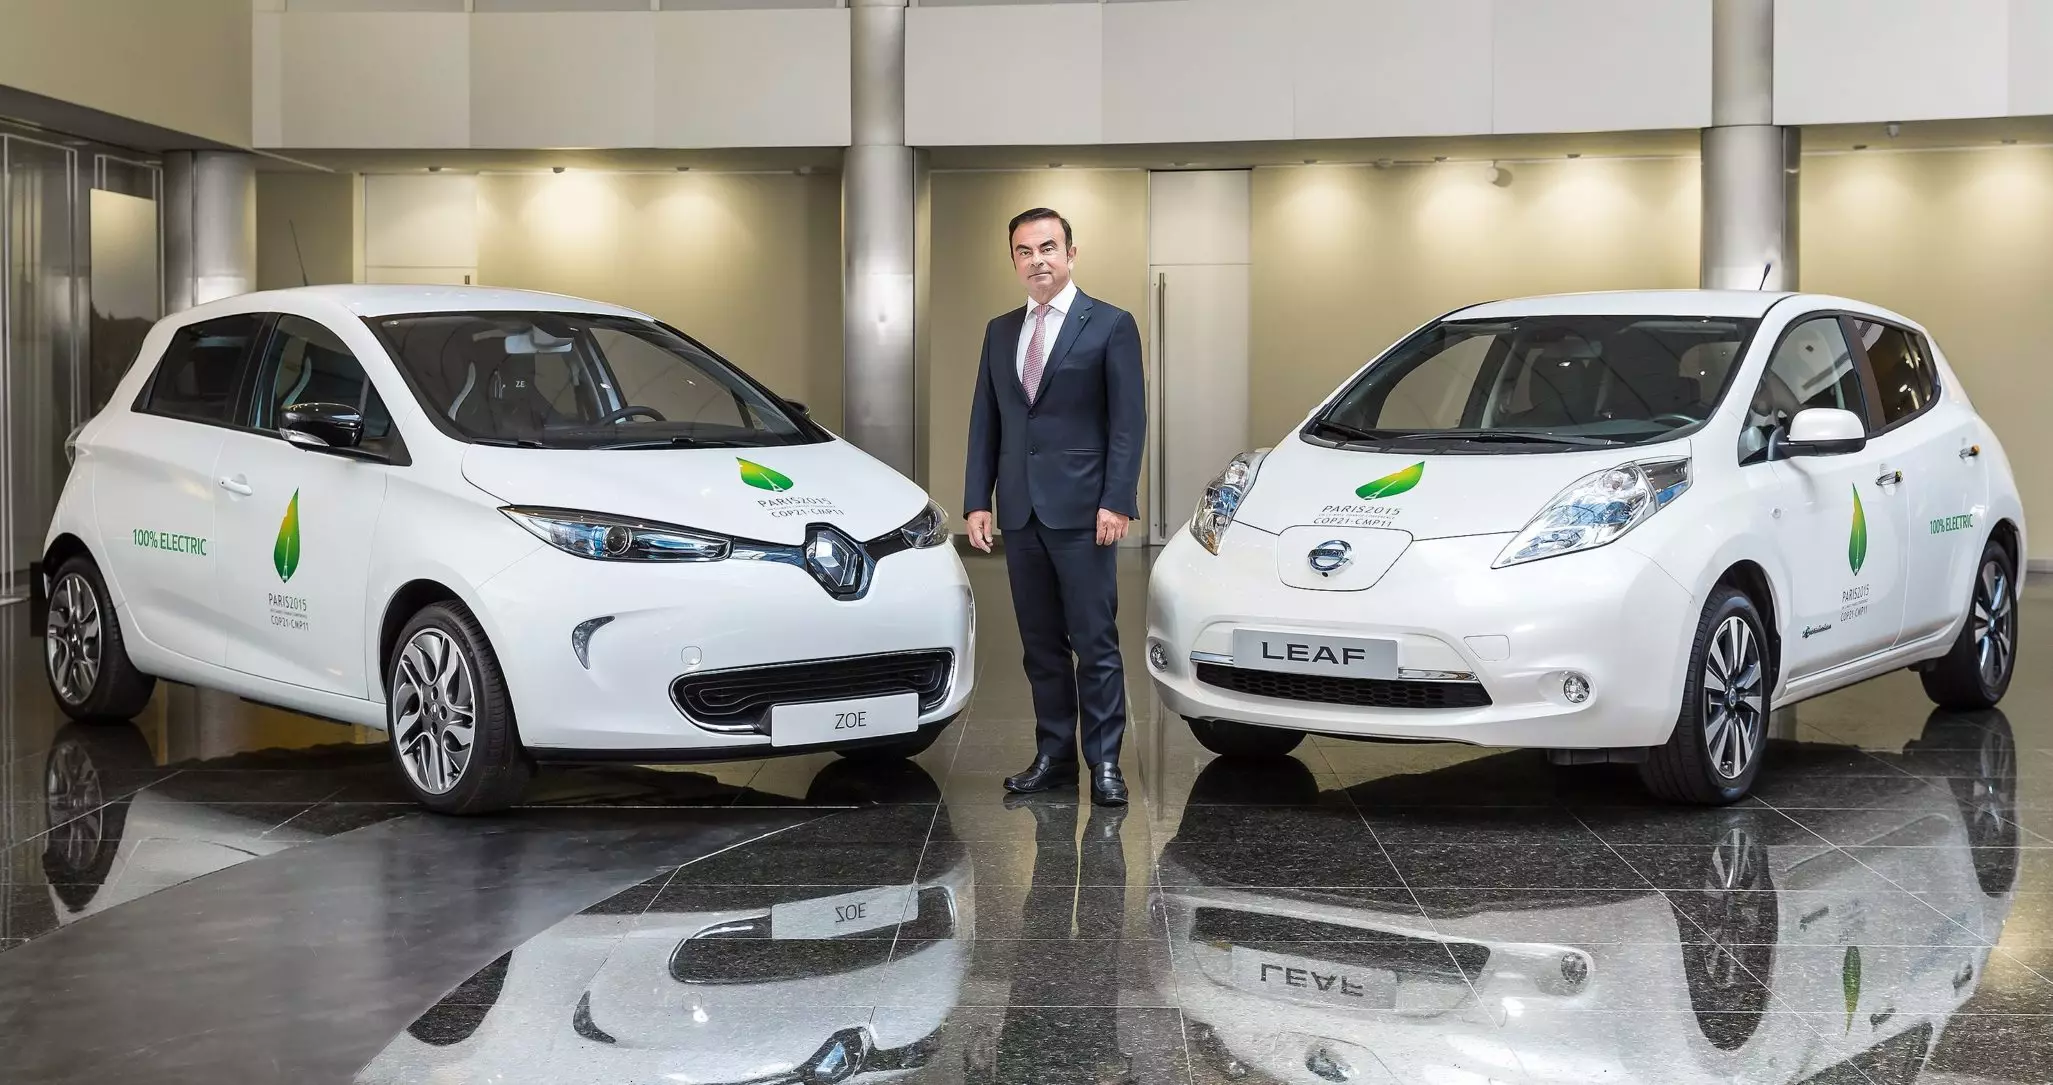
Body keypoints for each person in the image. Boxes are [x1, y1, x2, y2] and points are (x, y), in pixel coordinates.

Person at [963, 207, 1146, 807]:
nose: (1037, 259)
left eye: (1048, 247)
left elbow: (1127, 424)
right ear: (1012, 260)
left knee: (1094, 642)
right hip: (1020, 512)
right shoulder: (997, 331)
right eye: (1023, 251)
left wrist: (1116, 500)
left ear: (1071, 253)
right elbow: (985, 423)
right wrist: (977, 501)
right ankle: (1054, 756)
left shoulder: (1111, 325)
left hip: (1084, 511)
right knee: (1039, 644)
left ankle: (1107, 762)